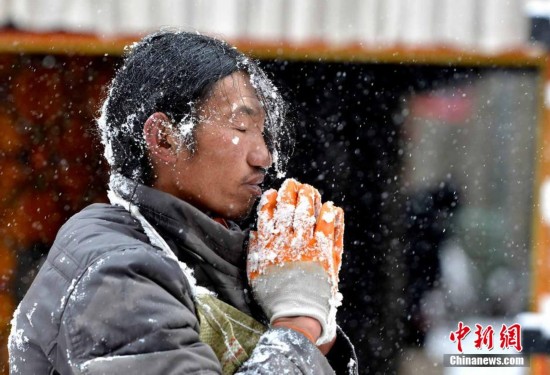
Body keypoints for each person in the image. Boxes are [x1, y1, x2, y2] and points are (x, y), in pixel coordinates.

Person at [8, 29, 357, 374]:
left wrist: (315, 327)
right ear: (163, 139)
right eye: (240, 127)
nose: (263, 156)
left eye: (262, 133)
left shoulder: (209, 257)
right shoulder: (115, 275)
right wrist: (297, 324)